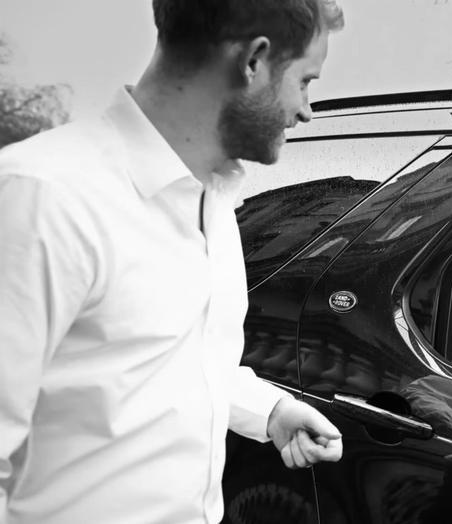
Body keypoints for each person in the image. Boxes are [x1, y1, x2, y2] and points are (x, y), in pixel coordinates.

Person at [0, 1, 345, 522]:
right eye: (305, 81)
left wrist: (269, 411)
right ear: (253, 61)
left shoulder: (213, 200)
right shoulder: (42, 197)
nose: (306, 111)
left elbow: (171, 362)